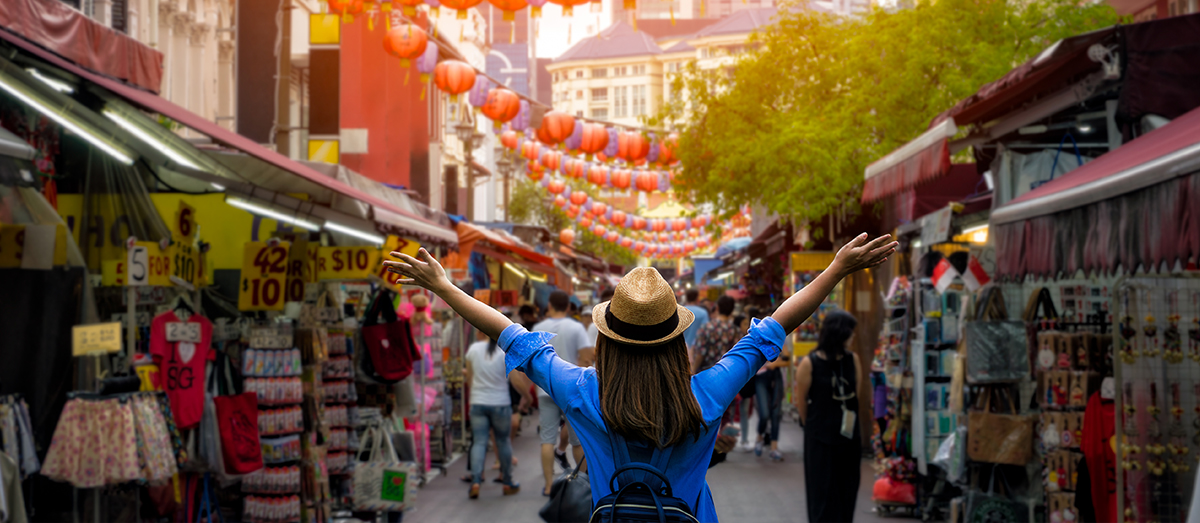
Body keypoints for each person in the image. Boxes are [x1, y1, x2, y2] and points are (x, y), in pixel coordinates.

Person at [384, 233, 894, 522]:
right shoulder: (706, 395)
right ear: (677, 339)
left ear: (608, 337)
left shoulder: (584, 392)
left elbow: (513, 335)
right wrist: (836, 270)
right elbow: (775, 326)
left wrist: (446, 289)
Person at [795, 311, 863, 522]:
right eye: (850, 333)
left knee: (847, 490)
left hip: (849, 437)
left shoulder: (853, 360)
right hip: (819, 438)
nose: (852, 338)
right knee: (821, 493)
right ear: (839, 333)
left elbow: (856, 395)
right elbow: (801, 401)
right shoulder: (810, 363)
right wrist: (812, 427)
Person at [531, 291, 592, 495]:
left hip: (544, 387)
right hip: (571, 388)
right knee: (577, 440)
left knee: (547, 439)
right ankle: (583, 485)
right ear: (568, 307)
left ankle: (549, 486)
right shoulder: (576, 328)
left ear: (549, 305)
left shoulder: (538, 328)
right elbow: (585, 358)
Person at [463, 330, 524, 498]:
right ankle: (507, 482)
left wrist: (474, 396)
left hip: (477, 402)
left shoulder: (473, 349)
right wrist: (526, 396)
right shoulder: (505, 351)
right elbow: (516, 380)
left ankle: (475, 481)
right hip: (500, 403)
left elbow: (470, 378)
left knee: (479, 442)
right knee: (503, 442)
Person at [691, 295, 741, 374]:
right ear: (732, 311)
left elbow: (700, 353)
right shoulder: (735, 330)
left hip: (707, 372)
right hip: (728, 373)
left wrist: (693, 370)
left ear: (717, 308)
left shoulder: (707, 328)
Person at [681, 288, 710, 354]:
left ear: (686, 297)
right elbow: (706, 330)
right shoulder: (703, 312)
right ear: (697, 298)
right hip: (698, 350)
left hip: (682, 349)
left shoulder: (680, 312)